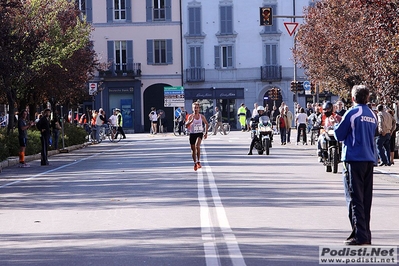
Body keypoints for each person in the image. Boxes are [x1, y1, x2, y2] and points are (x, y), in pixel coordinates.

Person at [334, 84, 377, 246]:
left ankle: (360, 235)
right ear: (367, 98)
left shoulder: (352, 112)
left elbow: (339, 135)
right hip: (368, 159)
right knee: (366, 199)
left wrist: (336, 123)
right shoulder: (372, 114)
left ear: (353, 98)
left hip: (353, 159)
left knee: (354, 198)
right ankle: (365, 232)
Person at [185, 102, 208, 171]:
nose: (196, 109)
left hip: (199, 133)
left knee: (197, 146)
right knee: (193, 149)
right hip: (192, 134)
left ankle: (198, 161)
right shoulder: (190, 116)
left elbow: (206, 124)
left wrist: (206, 133)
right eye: (194, 108)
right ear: (192, 109)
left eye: (197, 108)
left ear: (199, 109)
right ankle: (195, 163)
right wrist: (191, 121)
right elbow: (186, 126)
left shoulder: (202, 116)